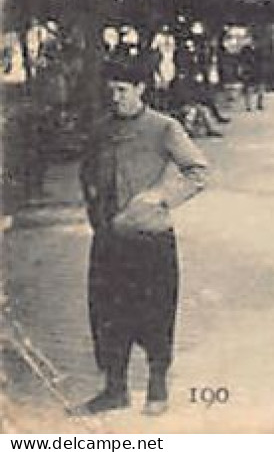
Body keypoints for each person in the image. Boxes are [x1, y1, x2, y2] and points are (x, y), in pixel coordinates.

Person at [75, 63, 209, 416]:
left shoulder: (164, 128)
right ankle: (114, 389)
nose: (115, 97)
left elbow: (197, 173)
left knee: (155, 312)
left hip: (151, 240)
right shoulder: (100, 130)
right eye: (112, 90)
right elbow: (87, 172)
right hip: (109, 241)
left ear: (140, 89)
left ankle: (157, 387)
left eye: (122, 90)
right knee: (106, 314)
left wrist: (162, 198)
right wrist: (96, 213)